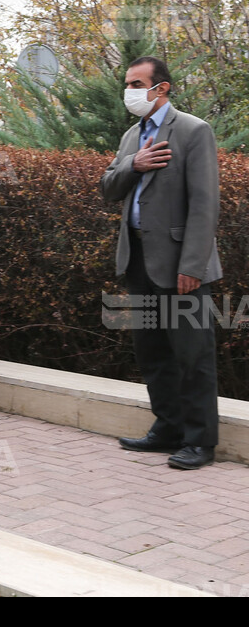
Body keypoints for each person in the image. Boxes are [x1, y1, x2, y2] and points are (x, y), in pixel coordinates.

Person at [101, 56, 221, 470]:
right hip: (137, 261)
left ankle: (200, 441)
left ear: (162, 88)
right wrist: (132, 166)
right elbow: (108, 187)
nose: (130, 91)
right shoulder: (132, 135)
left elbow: (205, 205)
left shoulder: (193, 131)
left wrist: (192, 265)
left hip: (180, 267)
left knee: (192, 356)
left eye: (137, 84)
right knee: (152, 353)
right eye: (128, 84)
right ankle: (167, 428)